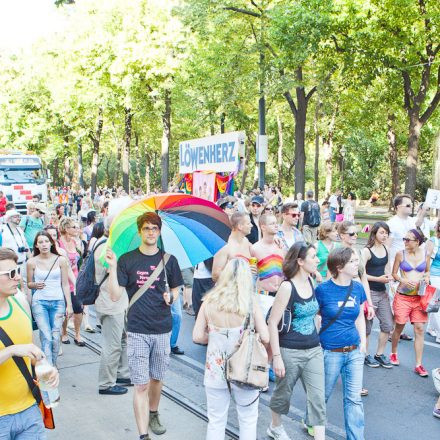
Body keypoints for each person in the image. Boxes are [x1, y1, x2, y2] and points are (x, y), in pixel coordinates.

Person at [106, 212, 183, 439]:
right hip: (137, 329)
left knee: (157, 378)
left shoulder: (169, 260)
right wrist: (112, 267)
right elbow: (113, 295)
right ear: (140, 231)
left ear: (159, 232)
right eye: (147, 228)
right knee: (140, 385)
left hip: (162, 328)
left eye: (155, 229)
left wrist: (172, 296)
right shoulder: (127, 260)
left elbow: (176, 290)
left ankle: (154, 412)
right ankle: (143, 434)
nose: (151, 232)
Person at [193, 258, 269, 440]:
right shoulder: (250, 303)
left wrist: (214, 337)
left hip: (215, 371)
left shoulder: (209, 302)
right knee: (248, 419)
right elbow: (266, 337)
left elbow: (197, 336)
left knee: (216, 420)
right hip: (244, 370)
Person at [267, 243, 326, 440]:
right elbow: (273, 322)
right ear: (300, 261)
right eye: (313, 257)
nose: (318, 260)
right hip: (289, 350)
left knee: (318, 398)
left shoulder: (311, 281)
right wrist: (276, 357)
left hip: (313, 349)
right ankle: (275, 427)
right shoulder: (287, 287)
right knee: (283, 395)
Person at [0, 247, 59, 439]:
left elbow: (32, 352)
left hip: (29, 409)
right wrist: (12, 350)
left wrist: (45, 366)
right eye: (10, 273)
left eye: (17, 271)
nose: (18, 277)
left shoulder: (21, 302)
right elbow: (19, 349)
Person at [315, 247, 367, 440]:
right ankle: (311, 420)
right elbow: (314, 315)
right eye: (352, 261)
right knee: (323, 396)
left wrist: (362, 341)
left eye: (356, 260)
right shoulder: (322, 290)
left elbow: (360, 316)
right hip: (330, 351)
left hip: (354, 350)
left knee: (354, 400)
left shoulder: (358, 287)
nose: (357, 265)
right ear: (339, 266)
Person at [94, 218, 130, 395]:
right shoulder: (107, 247)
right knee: (112, 344)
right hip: (110, 302)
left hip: (117, 302)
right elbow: (112, 272)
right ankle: (106, 383)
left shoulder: (113, 245)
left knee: (122, 340)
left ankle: (122, 374)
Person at [27, 231, 72, 368]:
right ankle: (49, 366)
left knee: (55, 335)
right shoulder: (31, 262)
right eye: (40, 242)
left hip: (58, 302)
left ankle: (52, 362)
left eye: (46, 241)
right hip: (39, 302)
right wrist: (34, 284)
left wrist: (68, 305)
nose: (44, 244)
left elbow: (65, 284)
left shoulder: (61, 260)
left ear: (51, 243)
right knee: (46, 335)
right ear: (36, 245)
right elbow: (29, 283)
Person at [390, 228, 430, 376]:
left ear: (417, 241)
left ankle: (418, 364)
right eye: (404, 239)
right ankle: (393, 352)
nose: (405, 242)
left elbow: (427, 271)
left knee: (419, 329)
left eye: (408, 239)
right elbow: (394, 273)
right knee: (399, 327)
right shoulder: (401, 254)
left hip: (419, 298)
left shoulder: (425, 254)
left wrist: (426, 278)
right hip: (403, 296)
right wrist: (403, 279)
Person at [361, 222, 394, 368]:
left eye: (386, 232)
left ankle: (379, 354)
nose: (385, 235)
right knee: (367, 327)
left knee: (387, 324)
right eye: (382, 232)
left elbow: (386, 269)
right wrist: (377, 279)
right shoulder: (366, 251)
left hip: (383, 292)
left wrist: (389, 278)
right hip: (370, 292)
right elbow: (360, 274)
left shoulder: (386, 248)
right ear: (374, 234)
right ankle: (365, 355)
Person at [58, 217, 84, 346]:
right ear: (66, 229)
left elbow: (80, 261)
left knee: (79, 308)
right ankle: (64, 333)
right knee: (65, 310)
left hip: (76, 279)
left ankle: (78, 334)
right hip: (63, 281)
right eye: (74, 227)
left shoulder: (76, 242)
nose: (77, 229)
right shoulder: (58, 244)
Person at [212, 211, 253, 282]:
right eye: (248, 223)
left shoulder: (246, 241)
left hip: (244, 289)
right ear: (240, 226)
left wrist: (275, 240)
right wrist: (237, 276)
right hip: (228, 291)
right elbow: (215, 275)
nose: (251, 225)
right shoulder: (225, 246)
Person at [427, 219, 440, 343]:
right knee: (436, 303)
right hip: (435, 275)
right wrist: (426, 275)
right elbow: (426, 259)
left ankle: (431, 327)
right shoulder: (433, 241)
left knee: (436, 304)